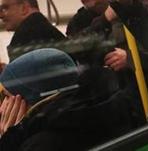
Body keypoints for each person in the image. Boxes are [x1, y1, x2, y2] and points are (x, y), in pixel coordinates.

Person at [0, 48, 137, 150]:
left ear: (33, 98)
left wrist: (8, 140)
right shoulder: (102, 111)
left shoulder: (40, 144)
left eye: (6, 96)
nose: (1, 108)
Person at [0, 0, 64, 58]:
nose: (1, 15)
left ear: (24, 8)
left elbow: (23, 68)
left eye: (4, 8)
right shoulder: (50, 32)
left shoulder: (25, 36)